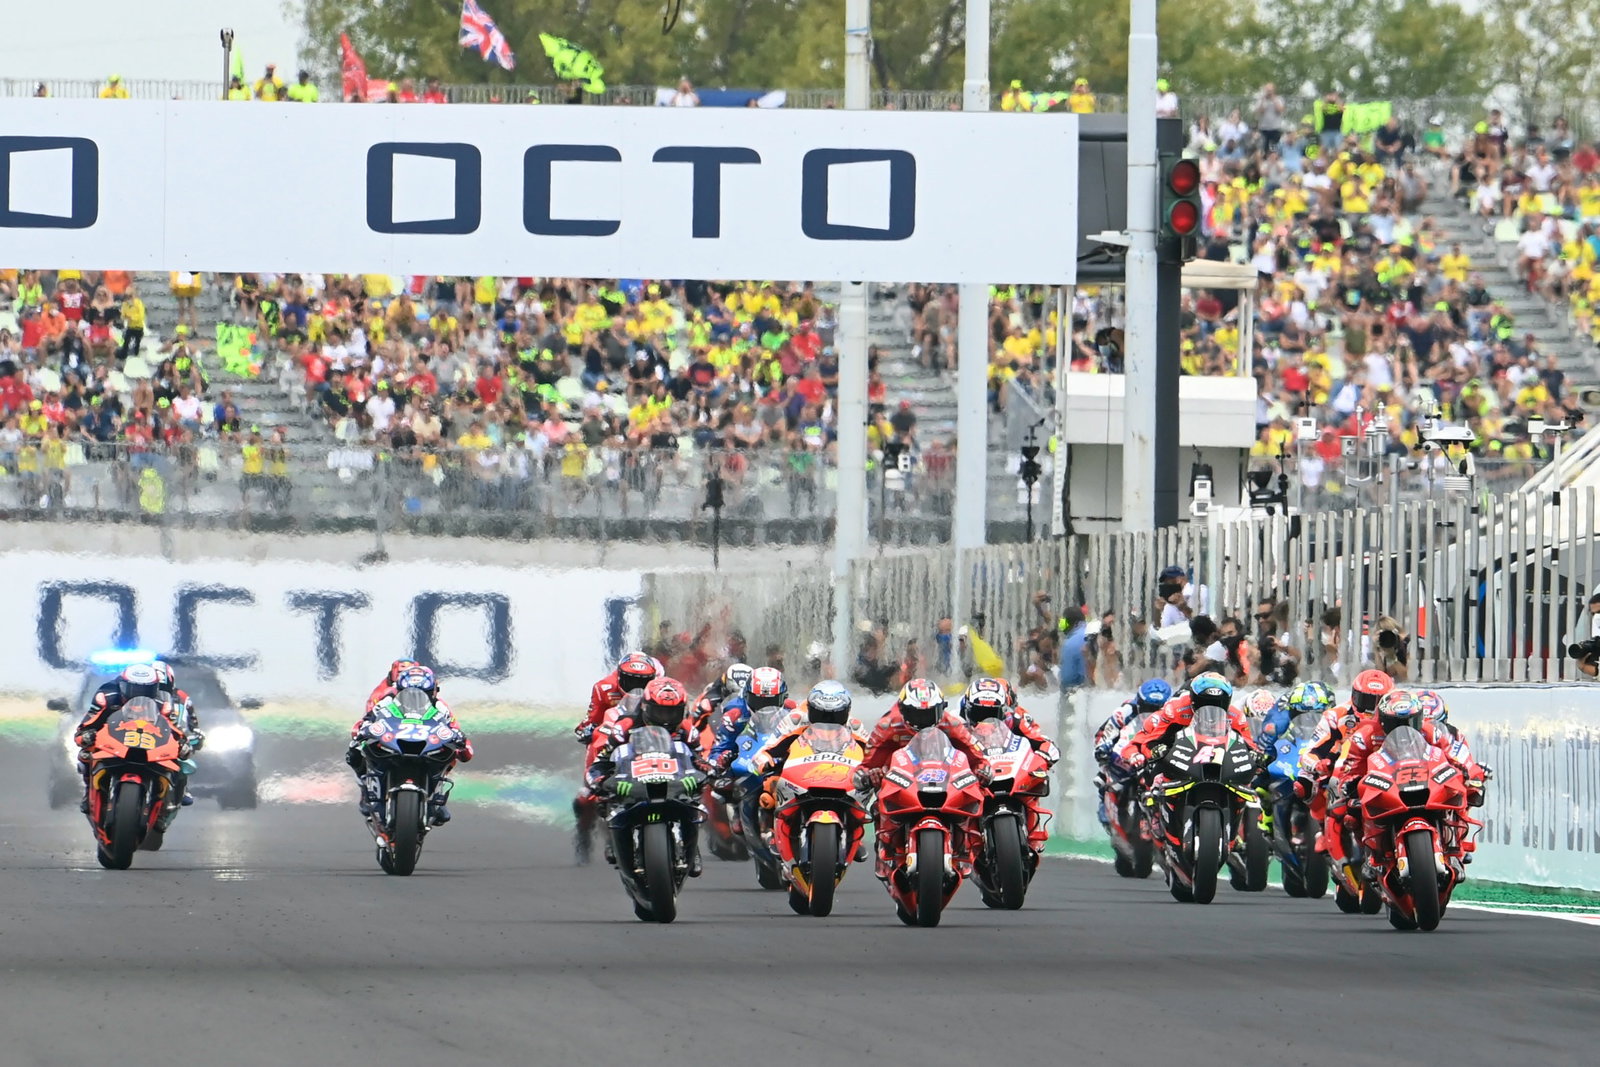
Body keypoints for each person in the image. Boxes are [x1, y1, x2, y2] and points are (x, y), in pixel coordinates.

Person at [1331, 690, 1485, 882]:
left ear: (1419, 718)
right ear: (1383, 720)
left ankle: (1455, 850)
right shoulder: (1365, 736)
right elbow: (1351, 767)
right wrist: (1350, 786)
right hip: (1385, 781)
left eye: (1410, 721)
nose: (1403, 727)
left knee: (1458, 790)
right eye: (1395, 722)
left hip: (1422, 777)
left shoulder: (1433, 732)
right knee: (1351, 810)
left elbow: (1457, 756)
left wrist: (1467, 773)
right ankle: (1371, 855)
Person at [851, 679, 992, 880]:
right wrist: (870, 774)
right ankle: (886, 850)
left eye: (929, 713)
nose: (922, 720)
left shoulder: (951, 723)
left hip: (942, 775)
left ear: (940, 709)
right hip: (902, 776)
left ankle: (965, 846)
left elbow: (975, 754)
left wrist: (982, 769)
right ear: (903, 710)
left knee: (976, 792)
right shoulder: (888, 724)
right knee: (878, 802)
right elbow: (868, 763)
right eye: (915, 713)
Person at [587, 677, 709, 875]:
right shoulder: (624, 727)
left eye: (672, 712)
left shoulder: (687, 729)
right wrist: (599, 778)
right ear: (645, 707)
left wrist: (707, 771)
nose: (666, 718)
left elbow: (699, 759)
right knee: (604, 799)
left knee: (693, 801)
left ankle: (692, 848)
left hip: (673, 779)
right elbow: (603, 759)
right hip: (633, 778)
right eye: (660, 711)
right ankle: (613, 839)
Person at [346, 664, 473, 824]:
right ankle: (366, 785)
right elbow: (364, 722)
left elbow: (457, 733)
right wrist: (363, 729)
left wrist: (462, 743)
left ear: (433, 692)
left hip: (426, 746)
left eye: (423, 694)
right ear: (399, 691)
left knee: (450, 751)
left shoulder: (441, 707)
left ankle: (436, 798)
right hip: (394, 744)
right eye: (408, 694)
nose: (415, 698)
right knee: (356, 750)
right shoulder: (386, 702)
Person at [74, 663, 192, 813]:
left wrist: (182, 742)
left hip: (147, 739)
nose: (139, 694)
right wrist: (85, 734)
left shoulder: (162, 702)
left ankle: (166, 804)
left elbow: (173, 728)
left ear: (155, 688)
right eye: (134, 689)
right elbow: (90, 721)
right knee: (85, 754)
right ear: (122, 685)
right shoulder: (106, 696)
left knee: (176, 761)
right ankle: (88, 791)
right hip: (113, 737)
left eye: (147, 689)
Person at [958, 677, 1058, 852]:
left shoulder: (1016, 718)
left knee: (1032, 785)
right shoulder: (956, 723)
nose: (984, 719)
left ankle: (1033, 836)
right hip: (977, 770)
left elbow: (1042, 741)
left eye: (992, 713)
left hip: (1008, 765)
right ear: (967, 708)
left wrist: (1043, 756)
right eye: (978, 712)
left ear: (1003, 710)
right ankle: (962, 842)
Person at [1293, 669, 1393, 800]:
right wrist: (1319, 765)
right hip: (1344, 767)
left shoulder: (1397, 716)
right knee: (1303, 785)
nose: (1372, 709)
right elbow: (1309, 753)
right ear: (1354, 695)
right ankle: (1323, 817)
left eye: (1379, 702)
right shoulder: (1335, 715)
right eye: (1366, 701)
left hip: (1387, 768)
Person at [707, 665, 791, 771]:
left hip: (778, 764)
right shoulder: (734, 714)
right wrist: (722, 759)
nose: (765, 707)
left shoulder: (791, 711)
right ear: (746, 696)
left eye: (771, 701)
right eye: (758, 701)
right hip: (746, 766)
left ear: (784, 698)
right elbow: (716, 752)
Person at [574, 651, 661, 744]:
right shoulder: (604, 688)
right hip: (613, 733)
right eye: (630, 681)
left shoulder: (659, 691)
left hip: (647, 734)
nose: (636, 686)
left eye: (642, 682)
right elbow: (591, 721)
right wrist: (586, 731)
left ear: (653, 679)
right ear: (619, 676)